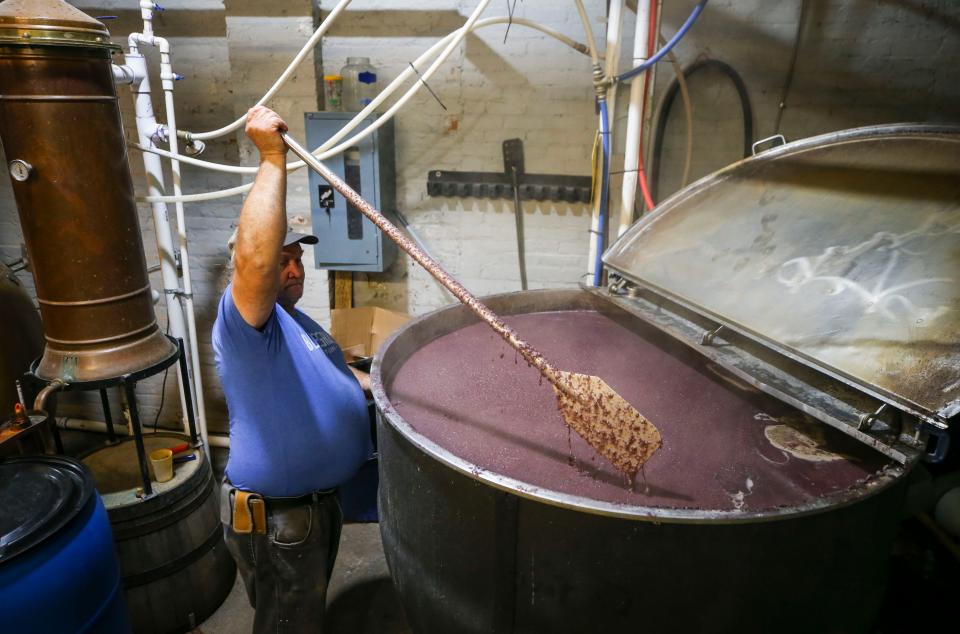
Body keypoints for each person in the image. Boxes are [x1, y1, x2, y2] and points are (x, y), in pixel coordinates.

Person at [213, 105, 373, 633]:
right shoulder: (246, 324)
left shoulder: (295, 322)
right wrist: (273, 159)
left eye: (298, 257)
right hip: (280, 517)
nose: (292, 266)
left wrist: (390, 387)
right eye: (281, 258)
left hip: (313, 507)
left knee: (302, 616)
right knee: (288, 624)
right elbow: (254, 264)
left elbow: (339, 380)